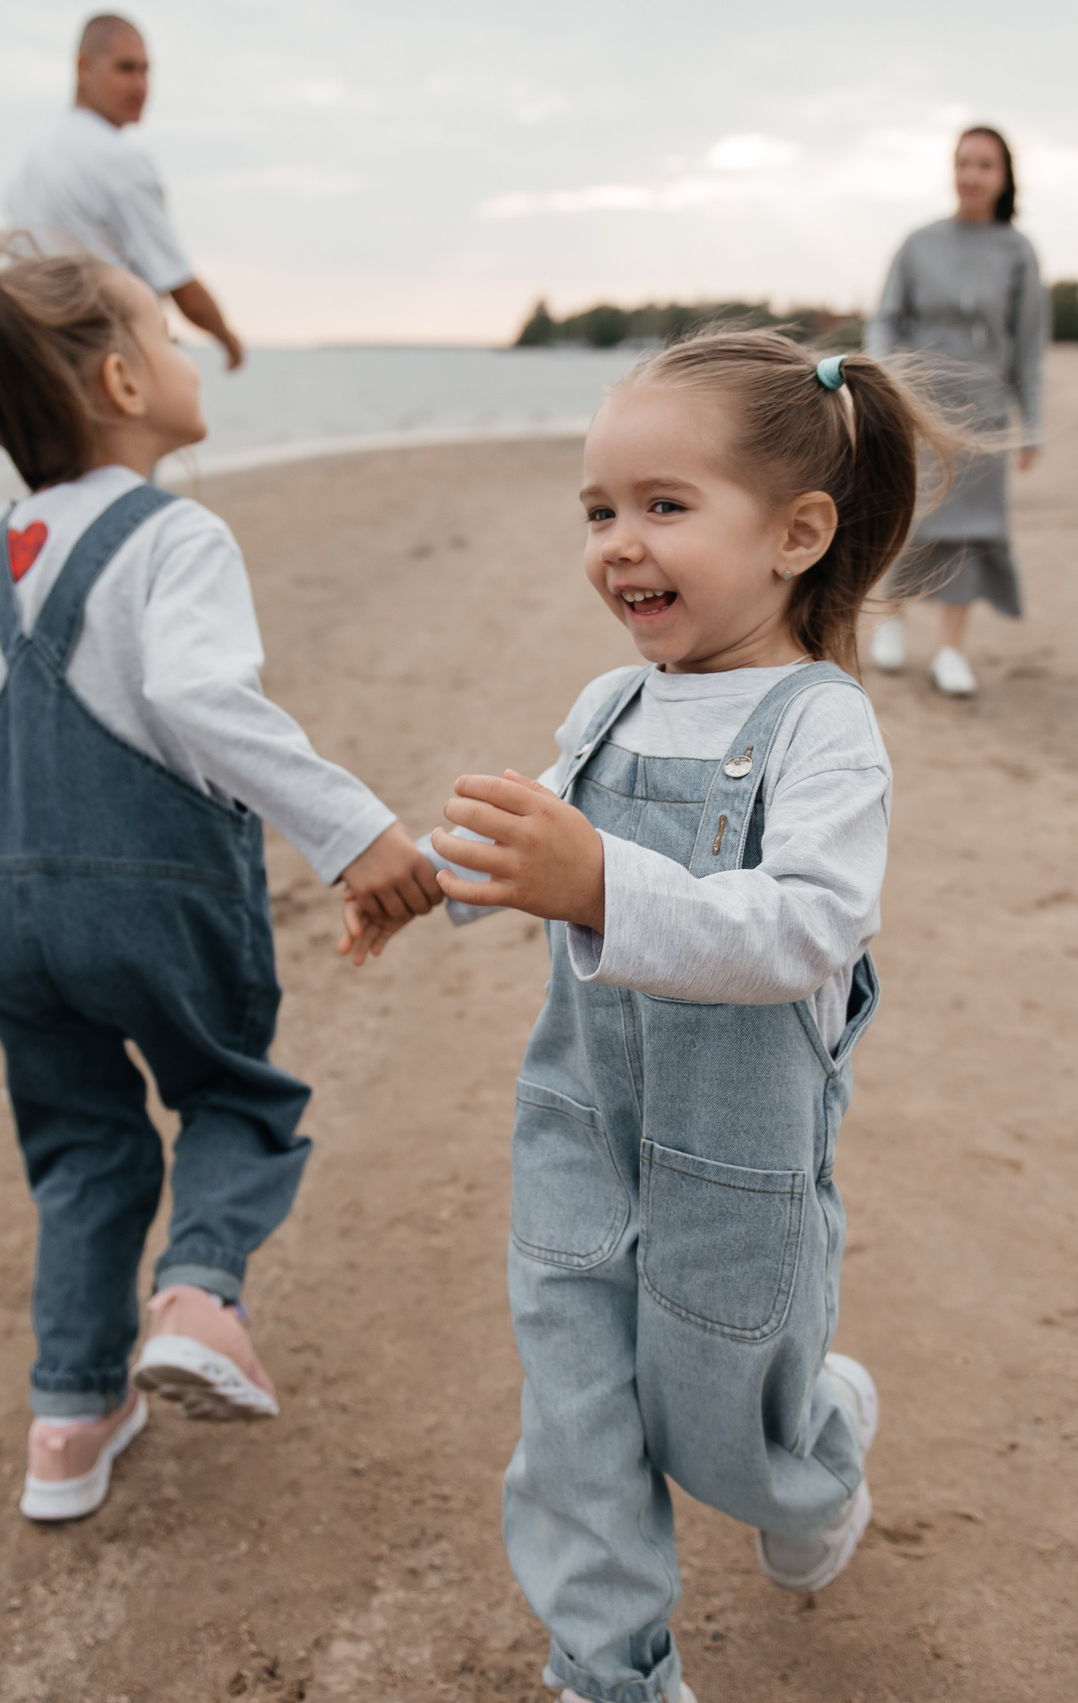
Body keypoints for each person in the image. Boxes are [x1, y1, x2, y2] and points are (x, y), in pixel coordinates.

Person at [370, 331, 965, 1703]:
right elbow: (529, 834)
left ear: (796, 534)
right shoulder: (607, 705)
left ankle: (821, 1447)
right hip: (579, 1137)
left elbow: (810, 925)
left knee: (730, 1439)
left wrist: (600, 882)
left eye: (663, 504)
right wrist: (428, 874)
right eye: (598, 510)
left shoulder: (821, 727)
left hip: (736, 1169)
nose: (618, 543)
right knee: (576, 1433)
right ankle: (611, 1672)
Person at [0, 231, 443, 1522]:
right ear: (122, 383)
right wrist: (355, 832)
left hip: (8, 911)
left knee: (82, 1142)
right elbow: (201, 698)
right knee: (232, 1092)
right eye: (169, 332)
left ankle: (69, 1419)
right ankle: (198, 1295)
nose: (189, 349)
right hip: (155, 898)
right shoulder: (174, 535)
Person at [865, 123, 1046, 698]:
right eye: (963, 162)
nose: (971, 175)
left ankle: (949, 650)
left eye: (984, 165)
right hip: (920, 408)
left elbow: (1028, 348)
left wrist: (1031, 426)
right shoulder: (918, 244)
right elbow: (886, 319)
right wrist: (879, 380)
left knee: (971, 531)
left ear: (1004, 177)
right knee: (912, 518)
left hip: (984, 416)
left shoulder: (1017, 253)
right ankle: (892, 620)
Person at [5, 13, 245, 371]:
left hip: (35, 359)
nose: (140, 86)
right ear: (84, 67)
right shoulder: (120, 160)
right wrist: (228, 338)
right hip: (103, 361)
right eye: (125, 69)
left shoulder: (35, 154)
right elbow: (180, 285)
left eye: (146, 71)